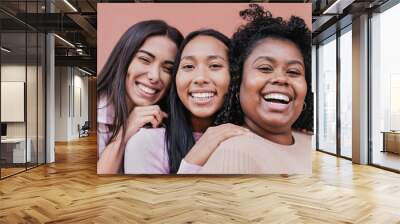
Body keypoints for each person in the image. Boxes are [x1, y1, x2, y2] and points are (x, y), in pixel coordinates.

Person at [198, 4, 313, 174]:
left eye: (293, 71)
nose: (281, 79)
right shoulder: (233, 153)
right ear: (238, 85)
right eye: (265, 68)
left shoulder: (310, 142)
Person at [124, 29, 249, 174]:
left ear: (235, 75)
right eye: (188, 66)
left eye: (215, 65)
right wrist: (195, 157)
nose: (200, 78)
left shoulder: (248, 137)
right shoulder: (146, 143)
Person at [97, 20, 183, 174]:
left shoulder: (166, 120)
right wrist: (125, 132)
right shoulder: (97, 113)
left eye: (168, 69)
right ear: (124, 58)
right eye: (145, 60)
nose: (154, 76)